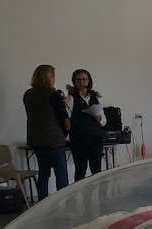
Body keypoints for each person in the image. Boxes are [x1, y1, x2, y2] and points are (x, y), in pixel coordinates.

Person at [23, 65, 70, 201]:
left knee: (43, 173)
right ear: (49, 77)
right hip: (54, 141)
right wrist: (65, 133)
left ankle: (41, 204)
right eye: (53, 76)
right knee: (61, 174)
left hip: (36, 141)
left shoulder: (28, 94)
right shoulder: (53, 95)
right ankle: (64, 204)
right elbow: (66, 121)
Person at [65, 69, 106, 182]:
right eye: (78, 80)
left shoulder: (96, 98)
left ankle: (100, 196)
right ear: (74, 81)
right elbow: (66, 119)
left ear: (88, 81)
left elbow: (104, 121)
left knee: (97, 169)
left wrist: (99, 119)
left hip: (96, 138)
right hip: (79, 139)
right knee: (81, 169)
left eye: (84, 79)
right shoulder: (71, 98)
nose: (82, 82)